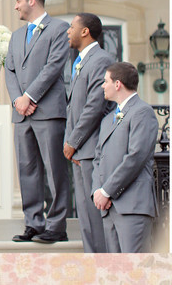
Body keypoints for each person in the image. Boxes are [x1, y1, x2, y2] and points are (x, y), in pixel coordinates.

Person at [4, 0, 70, 243]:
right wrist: (18, 101)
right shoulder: (16, 36)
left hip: (48, 111)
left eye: (19, 0)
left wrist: (29, 97)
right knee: (27, 168)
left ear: (33, 1)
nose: (16, 5)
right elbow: (9, 70)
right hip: (22, 114)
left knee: (54, 169)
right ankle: (33, 223)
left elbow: (53, 67)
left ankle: (56, 225)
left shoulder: (59, 29)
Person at [92, 62, 158, 253]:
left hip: (132, 208)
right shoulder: (107, 120)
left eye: (106, 81)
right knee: (115, 273)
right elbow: (98, 158)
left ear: (118, 84)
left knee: (135, 272)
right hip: (108, 209)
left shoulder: (142, 112)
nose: (103, 86)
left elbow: (135, 157)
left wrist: (107, 191)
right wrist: (98, 191)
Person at [64, 13, 114, 252]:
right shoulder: (82, 60)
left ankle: (101, 267)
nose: (68, 31)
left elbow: (94, 106)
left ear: (85, 31)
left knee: (93, 216)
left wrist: (73, 142)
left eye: (72, 27)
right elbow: (74, 106)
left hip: (90, 148)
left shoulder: (100, 60)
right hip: (80, 150)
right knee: (84, 213)